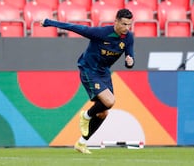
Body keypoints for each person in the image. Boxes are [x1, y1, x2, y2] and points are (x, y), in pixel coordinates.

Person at [40, 9, 135, 154]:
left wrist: (130, 61)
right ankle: (86, 116)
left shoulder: (128, 37)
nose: (126, 28)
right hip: (89, 70)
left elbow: (130, 58)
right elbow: (75, 27)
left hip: (104, 73)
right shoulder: (101, 33)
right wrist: (49, 22)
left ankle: (81, 143)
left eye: (129, 24)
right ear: (116, 21)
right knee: (109, 101)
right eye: (124, 24)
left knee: (103, 113)